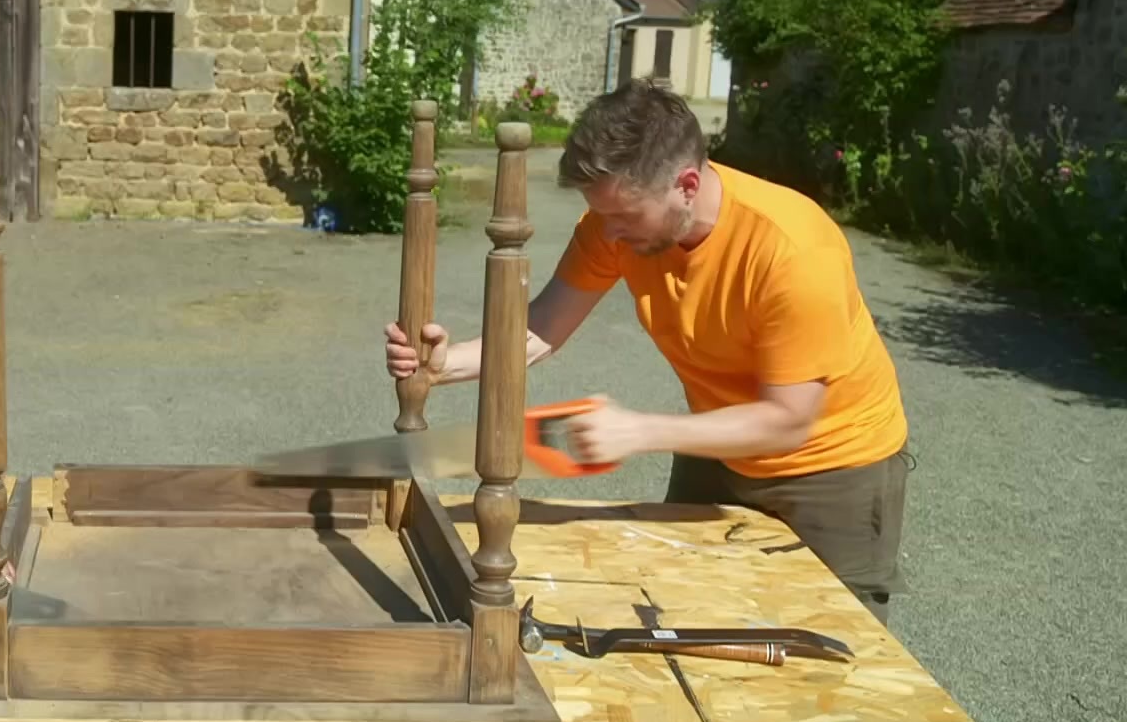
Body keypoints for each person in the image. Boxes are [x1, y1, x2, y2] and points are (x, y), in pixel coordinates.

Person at [385, 79, 911, 618]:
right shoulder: (612, 223)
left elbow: (790, 420)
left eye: (626, 217)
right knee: (689, 614)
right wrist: (446, 364)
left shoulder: (792, 251)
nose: (609, 235)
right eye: (602, 215)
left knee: (831, 638)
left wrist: (639, 430)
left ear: (687, 185)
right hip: (720, 447)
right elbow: (541, 328)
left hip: (833, 468)